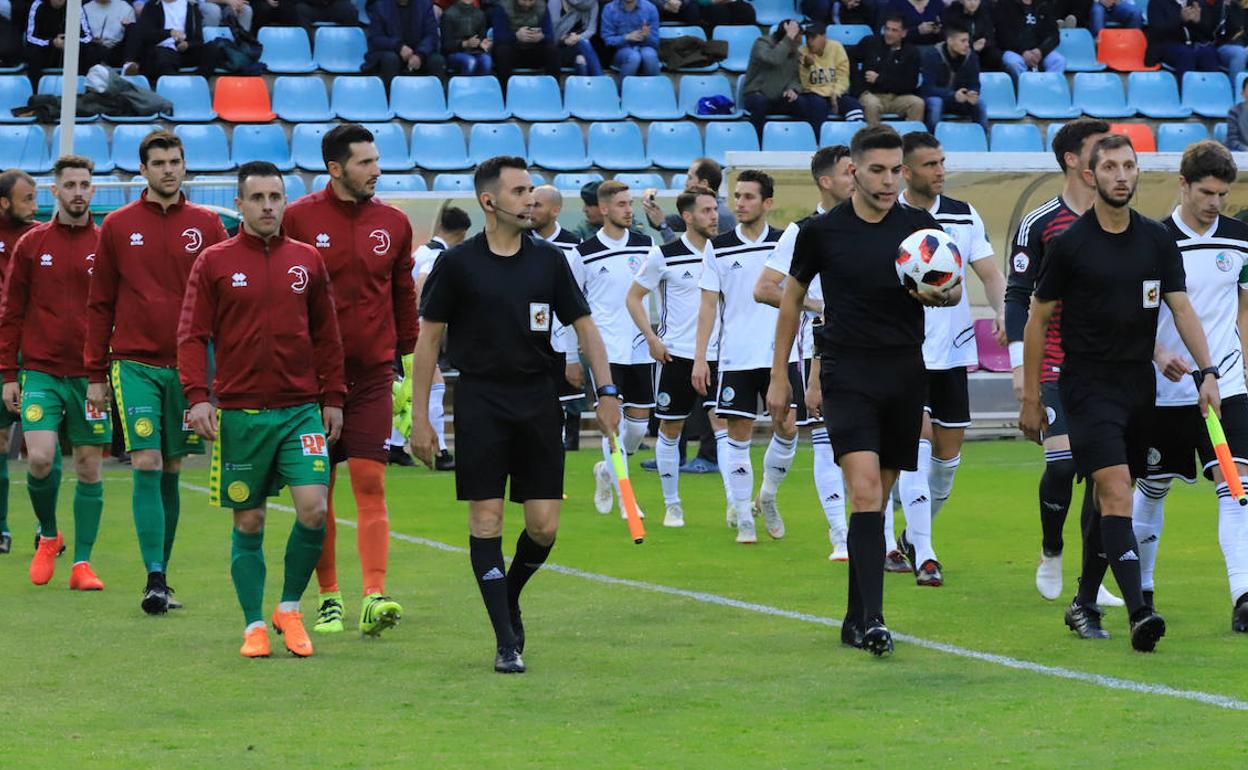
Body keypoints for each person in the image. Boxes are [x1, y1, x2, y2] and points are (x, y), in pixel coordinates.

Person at [409, 155, 619, 674]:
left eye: (531, 190)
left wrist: (607, 390)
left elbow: (586, 328)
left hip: (538, 401)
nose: (532, 198)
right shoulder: (456, 265)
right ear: (490, 202)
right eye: (521, 191)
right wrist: (420, 417)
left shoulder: (549, 261)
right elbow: (428, 340)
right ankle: (506, 641)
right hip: (480, 400)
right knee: (487, 519)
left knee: (543, 528)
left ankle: (510, 596)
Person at [1020, 134, 1218, 652]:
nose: (1121, 175)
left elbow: (1181, 308)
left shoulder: (1156, 240)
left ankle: (1084, 602)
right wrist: (1030, 397)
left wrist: (1208, 371)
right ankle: (1139, 613)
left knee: (1105, 504)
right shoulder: (1069, 245)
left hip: (1138, 388)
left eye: (1129, 166)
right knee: (1116, 494)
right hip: (1086, 387)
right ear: (1091, 175)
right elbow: (1037, 320)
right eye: (1110, 167)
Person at [768, 126, 957, 656]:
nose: (889, 180)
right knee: (867, 491)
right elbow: (790, 301)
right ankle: (875, 620)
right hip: (847, 373)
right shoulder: (822, 232)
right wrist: (779, 374)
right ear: (853, 171)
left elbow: (951, 282)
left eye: (897, 170)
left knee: (878, 499)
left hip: (904, 372)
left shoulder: (920, 227)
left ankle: (855, 617)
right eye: (878, 170)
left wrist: (945, 292)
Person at [178, 161, 345, 659]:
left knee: (314, 510)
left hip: (300, 411)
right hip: (241, 413)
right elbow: (192, 335)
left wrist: (333, 397)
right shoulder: (213, 262)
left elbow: (327, 336)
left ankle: (289, 608)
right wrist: (197, 396)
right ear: (240, 204)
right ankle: (254, 624)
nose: (269, 206)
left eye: (277, 197)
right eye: (259, 198)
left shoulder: (308, 260)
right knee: (248, 523)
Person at [84, 130, 227, 615]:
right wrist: (96, 373)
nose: (169, 169)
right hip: (133, 364)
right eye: (159, 162)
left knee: (170, 469)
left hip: (187, 369)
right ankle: (154, 577)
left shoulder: (208, 225)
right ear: (142, 171)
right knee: (145, 462)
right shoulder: (118, 226)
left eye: (175, 161)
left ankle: (162, 580)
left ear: (185, 166)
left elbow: (227, 302)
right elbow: (100, 302)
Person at [284, 124, 419, 638]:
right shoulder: (298, 218)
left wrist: (404, 363)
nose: (376, 171)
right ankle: (329, 596)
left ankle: (374, 594)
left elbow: (402, 293)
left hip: (370, 375)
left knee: (370, 478)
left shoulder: (394, 221)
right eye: (365, 162)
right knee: (320, 490)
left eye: (377, 161)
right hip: (312, 380)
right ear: (335, 168)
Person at [1130, 141, 1248, 631]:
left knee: (1237, 486)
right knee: (1152, 487)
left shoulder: (1241, 239)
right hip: (1165, 389)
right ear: (1182, 185)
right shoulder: (1154, 241)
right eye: (1206, 192)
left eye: (1222, 193)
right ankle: (1144, 588)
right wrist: (1159, 355)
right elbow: (1137, 317)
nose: (1214, 202)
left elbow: (1243, 309)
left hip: (1226, 385)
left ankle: (1244, 595)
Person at [1005, 118, 1123, 608]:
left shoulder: (1121, 221)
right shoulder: (1040, 222)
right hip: (1052, 363)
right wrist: (1019, 368)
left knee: (1105, 476)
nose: (1110, 158)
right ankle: (1051, 549)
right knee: (1063, 461)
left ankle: (1091, 581)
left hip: (1109, 368)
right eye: (1100, 150)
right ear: (1075, 160)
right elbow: (1017, 297)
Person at [891, 131, 1005, 585]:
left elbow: (990, 273)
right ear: (907, 171)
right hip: (906, 354)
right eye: (930, 164)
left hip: (953, 353)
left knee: (946, 464)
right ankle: (926, 554)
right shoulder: (891, 217)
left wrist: (1000, 310)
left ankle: (910, 533)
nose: (940, 170)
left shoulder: (963, 213)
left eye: (942, 161)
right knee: (914, 453)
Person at [0, 156, 108, 591]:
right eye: (70, 185)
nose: (78, 192)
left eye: (85, 184)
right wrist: (9, 373)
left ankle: (82, 564)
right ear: (55, 192)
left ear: (93, 191)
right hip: (41, 373)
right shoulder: (31, 245)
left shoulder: (108, 244)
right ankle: (49, 533)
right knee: (41, 459)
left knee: (88, 467)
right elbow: (12, 312)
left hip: (90, 375)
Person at [754, 145, 856, 562]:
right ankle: (839, 534)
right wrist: (817, 306)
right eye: (849, 172)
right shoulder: (804, 231)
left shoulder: (878, 224)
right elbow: (764, 288)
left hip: (867, 346)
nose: (858, 178)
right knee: (821, 436)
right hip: (815, 348)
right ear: (826, 181)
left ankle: (768, 492)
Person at [694, 170, 799, 543]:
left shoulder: (787, 242)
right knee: (738, 435)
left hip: (782, 356)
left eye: (749, 197)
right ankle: (743, 516)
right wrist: (700, 357)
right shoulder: (717, 246)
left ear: (767, 203)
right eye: (736, 196)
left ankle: (767, 496)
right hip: (735, 357)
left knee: (788, 429)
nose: (739, 203)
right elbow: (708, 306)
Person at [627, 187, 732, 528]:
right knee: (670, 430)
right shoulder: (665, 254)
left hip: (721, 356)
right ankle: (672, 505)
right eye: (705, 210)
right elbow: (633, 297)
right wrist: (652, 338)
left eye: (714, 209)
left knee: (726, 427)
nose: (714, 216)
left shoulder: (727, 251)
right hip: (677, 356)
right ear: (687, 216)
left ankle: (737, 504)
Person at [573, 181, 656, 520]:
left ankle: (606, 470)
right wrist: (569, 356)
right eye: (621, 204)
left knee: (637, 427)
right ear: (604, 209)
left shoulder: (647, 246)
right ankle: (627, 499)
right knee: (612, 424)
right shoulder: (584, 253)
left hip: (639, 348)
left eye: (630, 203)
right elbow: (572, 309)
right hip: (604, 351)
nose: (628, 209)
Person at [410, 204, 471, 471]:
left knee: (403, 389)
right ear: (461, 233)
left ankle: (392, 448)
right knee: (435, 387)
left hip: (404, 328)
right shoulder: (438, 256)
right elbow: (421, 284)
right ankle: (443, 453)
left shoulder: (422, 249)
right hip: (418, 329)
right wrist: (426, 317)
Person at [530, 185, 589, 435]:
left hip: (561, 342)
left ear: (556, 210)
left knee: (559, 415)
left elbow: (581, 297)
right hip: (527, 340)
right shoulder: (518, 241)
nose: (531, 210)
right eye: (530, 204)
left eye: (538, 205)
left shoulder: (576, 246)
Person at [0, 169, 37, 556]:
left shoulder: (39, 237)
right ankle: (2, 527)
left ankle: (48, 530)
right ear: (4, 202)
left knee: (39, 442)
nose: (34, 205)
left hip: (36, 353)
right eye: (27, 198)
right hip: (3, 352)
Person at [742, 20, 828, 141]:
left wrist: (793, 89)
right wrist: (788, 39)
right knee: (760, 103)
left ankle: (806, 141)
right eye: (796, 40)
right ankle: (757, 143)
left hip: (779, 98)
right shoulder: (761, 44)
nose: (799, 44)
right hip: (756, 94)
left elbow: (795, 78)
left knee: (805, 103)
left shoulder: (794, 53)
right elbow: (774, 59)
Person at [640, 157, 737, 244]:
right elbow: (660, 223)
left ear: (703, 183)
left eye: (690, 178)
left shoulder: (722, 216)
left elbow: (685, 255)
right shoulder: (697, 209)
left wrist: (663, 226)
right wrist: (650, 206)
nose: (686, 183)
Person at [1144, 0, 1246, 82]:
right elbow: (1157, 31)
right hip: (1165, 45)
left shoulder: (1196, 3)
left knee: (1208, 52)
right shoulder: (1157, 3)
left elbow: (1208, 34)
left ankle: (1213, 92)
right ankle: (1187, 93)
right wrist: (1180, 19)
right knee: (1186, 54)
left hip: (1191, 44)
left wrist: (1198, 22)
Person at [854, 14, 925, 127]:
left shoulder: (911, 52)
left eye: (894, 30)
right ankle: (874, 140)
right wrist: (858, 88)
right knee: (872, 104)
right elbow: (850, 60)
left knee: (917, 103)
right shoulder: (870, 43)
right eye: (887, 29)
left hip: (898, 98)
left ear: (903, 33)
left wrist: (879, 79)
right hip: (872, 94)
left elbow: (910, 84)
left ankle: (911, 140)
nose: (889, 33)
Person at [920, 24, 987, 132]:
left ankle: (982, 140)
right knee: (936, 103)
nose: (967, 45)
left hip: (961, 100)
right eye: (963, 41)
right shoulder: (932, 55)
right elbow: (927, 88)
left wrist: (972, 93)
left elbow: (975, 83)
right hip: (939, 98)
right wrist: (952, 95)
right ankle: (932, 140)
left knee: (980, 104)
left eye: (968, 41)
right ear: (950, 41)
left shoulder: (971, 57)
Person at [134, 0, 223, 79]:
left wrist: (188, 44)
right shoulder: (152, 5)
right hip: (162, 50)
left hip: (185, 50)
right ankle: (174, 88)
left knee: (212, 49)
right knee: (162, 57)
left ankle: (198, 81)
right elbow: (145, 35)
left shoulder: (191, 6)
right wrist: (169, 33)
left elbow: (198, 39)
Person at [366, 0, 447, 84]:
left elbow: (432, 35)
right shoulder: (380, 5)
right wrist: (399, 47)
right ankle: (390, 94)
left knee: (437, 61)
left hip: (420, 53)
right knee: (390, 59)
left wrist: (420, 54)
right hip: (392, 52)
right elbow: (376, 38)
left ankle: (436, 95)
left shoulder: (425, 4)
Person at [24, 0, 104, 83]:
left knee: (94, 50)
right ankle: (37, 90)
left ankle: (84, 86)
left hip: (72, 48)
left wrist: (70, 41)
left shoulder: (75, 5)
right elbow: (30, 37)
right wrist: (52, 42)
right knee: (33, 53)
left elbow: (87, 37)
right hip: (48, 49)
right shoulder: (37, 4)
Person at [799, 24, 865, 123]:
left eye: (813, 37)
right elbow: (805, 86)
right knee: (818, 106)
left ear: (824, 36)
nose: (809, 42)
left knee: (854, 106)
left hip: (835, 92)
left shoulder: (836, 47)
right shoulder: (802, 52)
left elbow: (843, 76)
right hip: (813, 94)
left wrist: (836, 93)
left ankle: (856, 136)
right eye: (807, 37)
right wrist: (806, 66)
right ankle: (819, 137)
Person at [492, 0, 561, 84]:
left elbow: (550, 36)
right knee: (502, 50)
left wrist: (541, 37)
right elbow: (498, 37)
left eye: (531, 1)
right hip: (513, 52)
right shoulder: (503, 7)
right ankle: (505, 91)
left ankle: (553, 88)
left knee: (552, 50)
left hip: (534, 51)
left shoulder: (542, 6)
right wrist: (516, 36)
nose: (527, 3)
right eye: (524, 0)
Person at [995, 0, 1064, 79]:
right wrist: (1023, 52)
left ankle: (1048, 89)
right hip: (1014, 50)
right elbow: (1003, 36)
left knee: (1059, 61)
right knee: (1014, 62)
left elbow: (1054, 35)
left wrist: (1040, 50)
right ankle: (1023, 90)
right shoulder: (1004, 4)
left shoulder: (1044, 4)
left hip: (1039, 51)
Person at [601, 0, 660, 76]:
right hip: (621, 51)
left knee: (649, 55)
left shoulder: (650, 8)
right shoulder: (609, 8)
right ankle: (624, 87)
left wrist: (647, 36)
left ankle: (654, 86)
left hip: (645, 46)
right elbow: (607, 39)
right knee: (634, 57)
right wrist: (626, 37)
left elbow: (655, 42)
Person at [942, 0, 1000, 72]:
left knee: (994, 55)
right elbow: (950, 36)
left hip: (983, 49)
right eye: (969, 0)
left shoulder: (985, 11)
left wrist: (984, 42)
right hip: (961, 49)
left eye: (976, 0)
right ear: (962, 1)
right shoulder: (952, 13)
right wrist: (972, 46)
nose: (973, 3)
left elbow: (990, 34)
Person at [83, 0, 140, 71]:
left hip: (116, 49)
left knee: (134, 28)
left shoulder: (125, 7)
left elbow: (132, 36)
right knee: (90, 47)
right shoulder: (84, 9)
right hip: (93, 48)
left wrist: (127, 27)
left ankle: (128, 66)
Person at [550, 0, 603, 75]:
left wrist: (578, 37)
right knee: (583, 45)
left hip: (581, 47)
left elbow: (591, 30)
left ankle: (590, 84)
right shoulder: (555, 2)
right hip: (559, 48)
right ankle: (600, 79)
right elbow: (552, 32)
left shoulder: (591, 2)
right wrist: (564, 40)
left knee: (581, 60)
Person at [440, 0, 493, 75]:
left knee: (487, 60)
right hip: (454, 53)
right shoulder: (448, 15)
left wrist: (482, 43)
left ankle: (482, 86)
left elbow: (482, 37)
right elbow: (446, 45)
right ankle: (465, 86)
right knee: (470, 61)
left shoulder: (480, 14)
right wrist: (465, 44)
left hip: (475, 51)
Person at [293, 0, 358, 34]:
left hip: (334, 4)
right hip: (311, 5)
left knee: (350, 11)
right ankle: (307, 48)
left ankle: (348, 45)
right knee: (299, 10)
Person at [1227, 76, 1248, 152]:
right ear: (1242, 92)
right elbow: (1232, 140)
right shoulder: (1234, 112)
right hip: (1241, 154)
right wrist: (1246, 149)